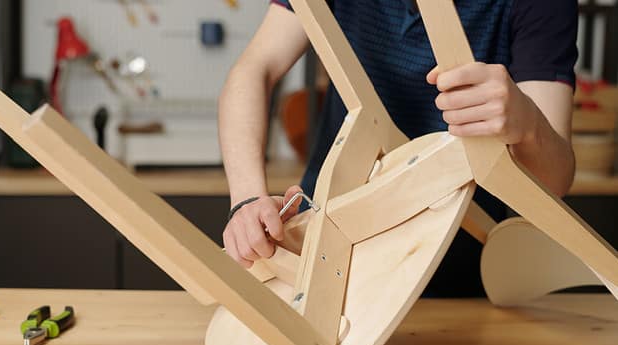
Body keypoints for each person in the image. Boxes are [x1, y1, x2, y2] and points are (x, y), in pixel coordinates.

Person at [218, 0, 577, 296]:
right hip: (327, 250)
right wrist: (248, 199)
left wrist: (527, 123)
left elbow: (554, 181)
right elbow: (255, 69)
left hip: (456, 267)